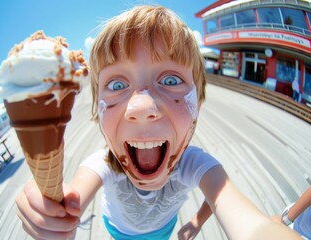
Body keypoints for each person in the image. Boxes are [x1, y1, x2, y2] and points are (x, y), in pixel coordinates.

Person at [15, 5, 301, 240]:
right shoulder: (102, 164)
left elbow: (247, 222)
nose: (141, 108)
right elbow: (73, 194)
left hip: (164, 231)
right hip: (118, 230)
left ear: (197, 105)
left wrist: (197, 221)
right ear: (97, 113)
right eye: (116, 85)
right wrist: (53, 213)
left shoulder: (197, 166)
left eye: (171, 80)